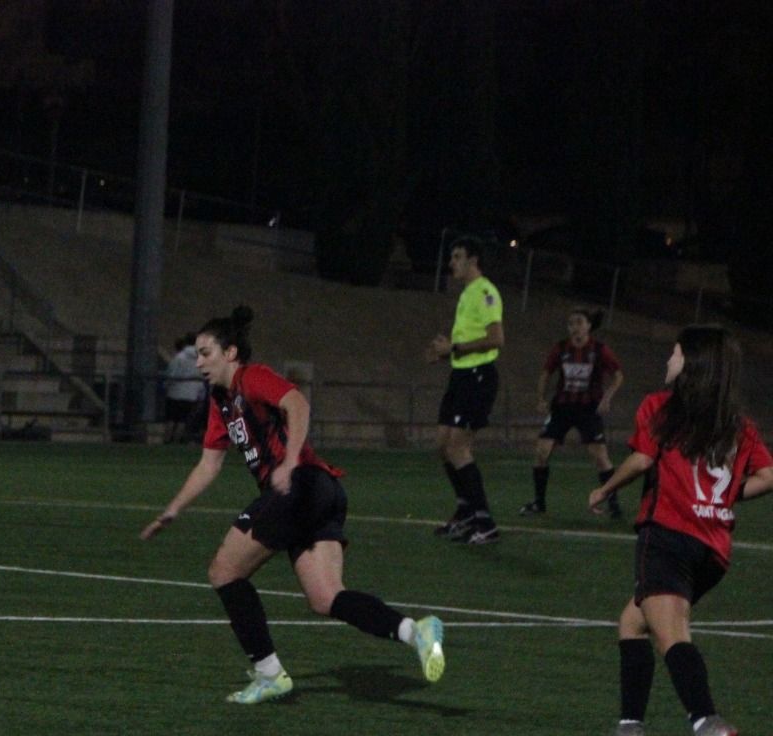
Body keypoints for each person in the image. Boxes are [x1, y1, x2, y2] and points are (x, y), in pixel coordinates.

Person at [140, 306, 444, 705]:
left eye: (205, 353)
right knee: (326, 598)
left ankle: (270, 675)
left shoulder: (252, 377)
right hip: (321, 492)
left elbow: (297, 403)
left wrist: (288, 461)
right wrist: (172, 509)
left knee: (224, 572)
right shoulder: (221, 401)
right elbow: (209, 463)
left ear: (230, 353)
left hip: (299, 487)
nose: (198, 362)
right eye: (196, 354)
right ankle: (415, 632)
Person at [586, 325, 771, 736]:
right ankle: (629, 730)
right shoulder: (738, 425)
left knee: (671, 635)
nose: (668, 361)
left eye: (673, 354)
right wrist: (724, 499)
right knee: (632, 621)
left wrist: (605, 488)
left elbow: (644, 461)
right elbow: (768, 476)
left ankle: (705, 722)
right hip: (712, 549)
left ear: (690, 363)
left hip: (666, 536)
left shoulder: (661, 408)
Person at [426, 235, 504, 545]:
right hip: (461, 376)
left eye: (457, 257)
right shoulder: (468, 293)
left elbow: (497, 339)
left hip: (478, 377)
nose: (451, 263)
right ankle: (466, 512)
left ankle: (485, 521)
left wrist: (454, 347)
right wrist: (446, 352)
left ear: (473, 260)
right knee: (442, 444)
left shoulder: (485, 292)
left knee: (458, 447)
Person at [519, 308, 625, 517]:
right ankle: (539, 503)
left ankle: (613, 503)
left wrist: (607, 397)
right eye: (571, 323)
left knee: (600, 457)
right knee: (541, 452)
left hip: (588, 409)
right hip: (562, 408)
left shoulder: (599, 349)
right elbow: (546, 373)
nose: (574, 327)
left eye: (579, 322)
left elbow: (619, 375)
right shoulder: (560, 348)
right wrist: (540, 398)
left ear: (588, 326)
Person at [161, 332, 205, 443]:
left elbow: (171, 374)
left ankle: (167, 441)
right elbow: (201, 376)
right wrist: (200, 393)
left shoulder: (180, 357)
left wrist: (166, 387)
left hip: (175, 393)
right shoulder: (200, 359)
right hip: (191, 394)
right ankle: (176, 442)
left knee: (171, 419)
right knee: (182, 420)